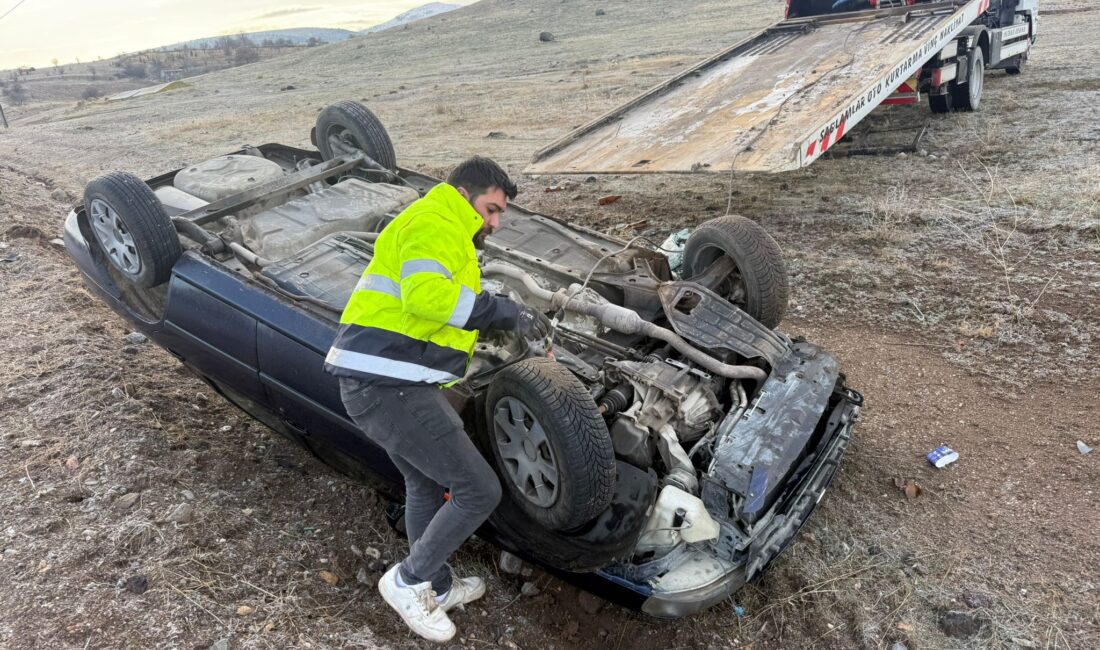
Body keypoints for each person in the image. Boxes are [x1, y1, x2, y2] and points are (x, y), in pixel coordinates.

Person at [323, 156, 552, 642]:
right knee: (479, 490)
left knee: (425, 484)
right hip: (387, 385)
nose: (494, 223)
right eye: (491, 210)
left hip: (383, 382)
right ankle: (407, 581)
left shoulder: (444, 230)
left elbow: (439, 303)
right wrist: (505, 314)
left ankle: (437, 585)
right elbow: (426, 297)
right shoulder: (435, 220)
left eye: (499, 216)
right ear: (465, 193)